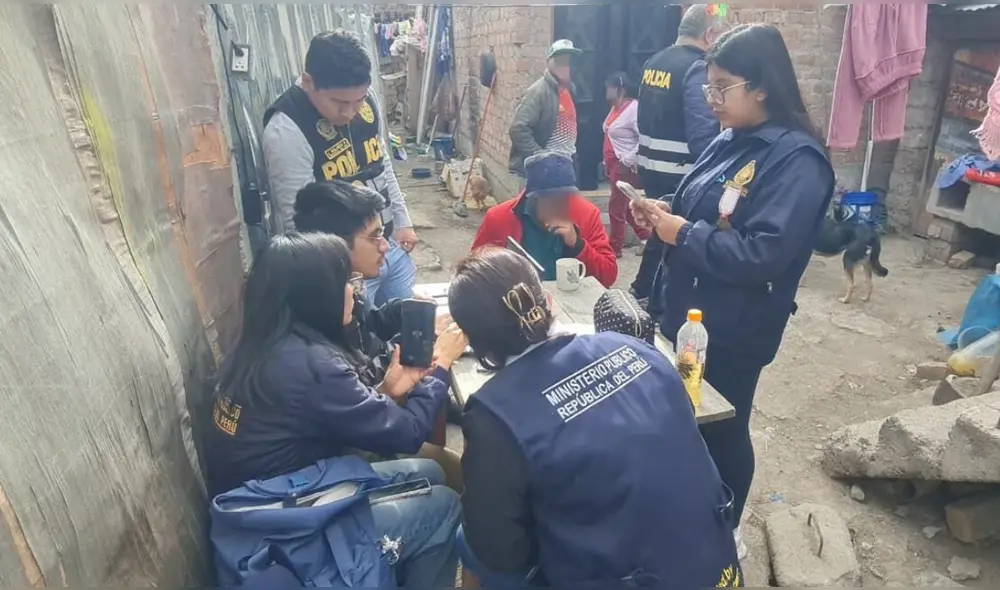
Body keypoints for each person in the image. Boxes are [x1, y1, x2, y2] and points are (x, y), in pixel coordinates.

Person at [631, 24, 836, 559]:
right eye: (708, 89)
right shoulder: (730, 140)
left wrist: (683, 233)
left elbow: (762, 254)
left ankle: (727, 532)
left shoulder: (798, 161)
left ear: (763, 86)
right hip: (689, 312)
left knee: (723, 423)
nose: (712, 101)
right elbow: (699, 206)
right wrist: (660, 214)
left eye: (723, 88)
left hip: (735, 326)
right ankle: (687, 513)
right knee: (686, 420)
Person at [450, 247, 741, 588]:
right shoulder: (632, 347)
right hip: (715, 564)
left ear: (469, 338)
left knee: (468, 542)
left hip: (629, 577)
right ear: (548, 302)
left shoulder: (494, 416)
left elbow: (499, 551)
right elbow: (682, 428)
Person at [203, 233, 468, 586]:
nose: (354, 292)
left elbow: (328, 414)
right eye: (345, 282)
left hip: (269, 504)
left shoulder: (263, 343)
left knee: (429, 471)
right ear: (316, 294)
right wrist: (441, 365)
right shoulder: (312, 365)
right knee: (444, 506)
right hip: (286, 533)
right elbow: (405, 434)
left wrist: (387, 390)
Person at [293, 180, 464, 487]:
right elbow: (400, 432)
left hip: (352, 433)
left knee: (454, 468)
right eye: (374, 238)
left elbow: (367, 324)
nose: (386, 245)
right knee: (451, 475)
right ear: (336, 245)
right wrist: (440, 365)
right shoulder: (316, 331)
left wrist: (409, 312)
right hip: (321, 481)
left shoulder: (333, 288)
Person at [261, 30, 417, 309]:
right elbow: (296, 219)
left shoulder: (365, 102)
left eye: (358, 100)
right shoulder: (287, 129)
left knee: (405, 324)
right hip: (347, 269)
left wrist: (402, 222)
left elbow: (380, 165)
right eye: (339, 103)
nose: (350, 112)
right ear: (308, 82)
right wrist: (340, 282)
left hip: (387, 243)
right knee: (365, 341)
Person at [632, 5, 724, 302]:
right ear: (709, 34)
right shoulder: (698, 67)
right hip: (680, 171)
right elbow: (702, 132)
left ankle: (643, 290)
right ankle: (651, 294)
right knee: (672, 233)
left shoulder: (654, 62)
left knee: (659, 231)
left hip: (649, 164)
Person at [471, 151, 617, 288]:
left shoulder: (586, 214)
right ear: (532, 198)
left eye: (565, 198)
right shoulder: (499, 218)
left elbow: (608, 276)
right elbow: (473, 272)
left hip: (570, 302)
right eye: (549, 200)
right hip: (517, 301)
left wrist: (577, 244)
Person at [508, 39, 583, 178]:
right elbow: (518, 129)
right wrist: (540, 157)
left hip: (568, 162)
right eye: (560, 61)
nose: (565, 66)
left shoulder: (570, 90)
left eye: (568, 61)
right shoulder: (538, 91)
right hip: (547, 169)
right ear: (549, 62)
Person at [602, 71, 651, 258]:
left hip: (624, 166)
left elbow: (643, 138)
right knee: (625, 205)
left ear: (619, 89)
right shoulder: (615, 108)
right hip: (612, 164)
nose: (606, 91)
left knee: (616, 206)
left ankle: (614, 248)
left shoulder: (633, 110)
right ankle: (646, 237)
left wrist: (628, 159)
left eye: (610, 87)